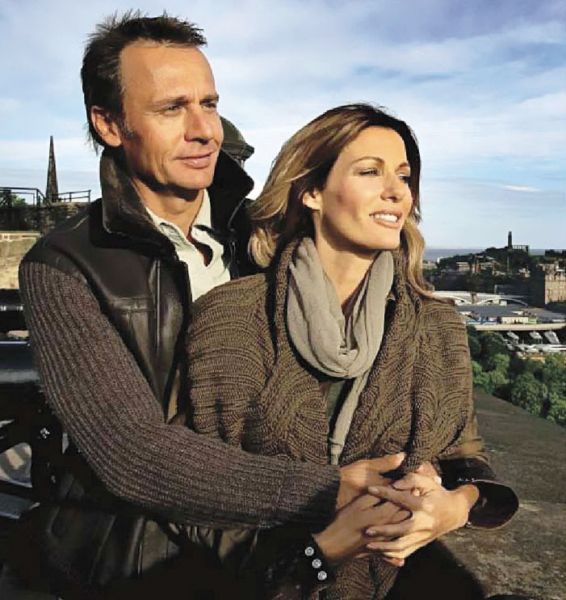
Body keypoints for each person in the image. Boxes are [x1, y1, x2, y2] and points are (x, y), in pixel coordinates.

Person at [12, 14, 409, 599]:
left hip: (278, 545)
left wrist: (444, 487)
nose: (205, 131)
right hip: (140, 559)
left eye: (209, 104)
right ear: (110, 124)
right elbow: (132, 453)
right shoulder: (62, 265)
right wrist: (327, 490)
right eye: (172, 108)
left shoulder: (264, 237)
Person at [183, 103, 518, 598]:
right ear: (312, 191)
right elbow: (195, 488)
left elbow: (464, 453)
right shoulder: (231, 318)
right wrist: (323, 549)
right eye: (370, 171)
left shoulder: (435, 325)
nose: (396, 191)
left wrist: (456, 506)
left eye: (403, 176)